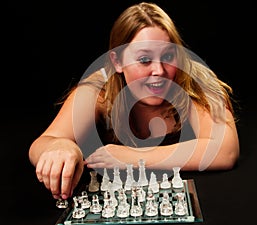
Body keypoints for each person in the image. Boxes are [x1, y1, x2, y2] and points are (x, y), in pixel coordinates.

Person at [28, 2, 239, 200]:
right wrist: (62, 146)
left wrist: (131, 157)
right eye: (144, 60)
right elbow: (42, 144)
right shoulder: (99, 90)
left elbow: (225, 151)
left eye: (167, 57)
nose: (159, 70)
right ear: (117, 61)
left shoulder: (195, 83)